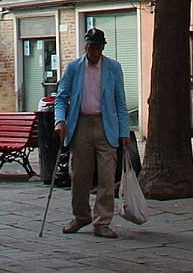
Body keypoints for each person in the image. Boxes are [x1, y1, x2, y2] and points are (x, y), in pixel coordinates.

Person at [51, 28, 134, 238]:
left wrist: (124, 131)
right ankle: (81, 216)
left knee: (107, 176)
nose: (93, 52)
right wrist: (60, 121)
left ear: (103, 47)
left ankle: (102, 221)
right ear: (85, 46)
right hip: (80, 125)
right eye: (90, 47)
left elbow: (120, 102)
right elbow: (61, 97)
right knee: (79, 175)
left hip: (106, 125)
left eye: (97, 47)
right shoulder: (73, 68)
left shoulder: (113, 68)